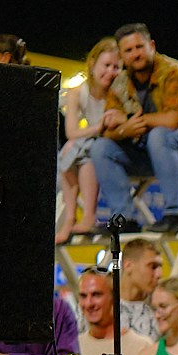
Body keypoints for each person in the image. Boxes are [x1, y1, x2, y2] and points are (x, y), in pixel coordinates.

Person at [90, 23, 178, 237]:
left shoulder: (176, 73)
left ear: (151, 45)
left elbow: (172, 121)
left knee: (160, 135)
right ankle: (123, 219)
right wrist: (125, 129)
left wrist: (129, 119)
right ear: (122, 56)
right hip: (147, 147)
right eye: (129, 50)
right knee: (101, 148)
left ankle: (174, 214)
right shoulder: (121, 82)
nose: (135, 54)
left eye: (139, 47)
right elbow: (108, 129)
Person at [57, 38, 120, 242]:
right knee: (69, 149)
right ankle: (70, 216)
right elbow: (71, 132)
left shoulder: (119, 91)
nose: (110, 72)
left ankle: (87, 216)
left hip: (111, 143)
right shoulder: (78, 92)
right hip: (92, 138)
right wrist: (97, 127)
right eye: (106, 65)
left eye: (116, 67)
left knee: (89, 152)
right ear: (93, 64)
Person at [113, 237, 167, 339]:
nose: (159, 274)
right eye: (153, 267)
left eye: (160, 267)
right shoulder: (98, 306)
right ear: (128, 266)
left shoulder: (164, 309)